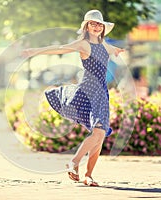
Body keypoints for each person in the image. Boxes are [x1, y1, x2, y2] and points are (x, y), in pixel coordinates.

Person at [23, 10, 124, 186]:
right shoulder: (83, 44)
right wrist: (35, 51)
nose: (96, 26)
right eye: (92, 23)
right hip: (87, 91)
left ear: (103, 28)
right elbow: (59, 49)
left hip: (101, 93)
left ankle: (88, 175)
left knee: (99, 135)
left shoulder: (106, 45)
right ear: (86, 26)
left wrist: (116, 50)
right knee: (99, 132)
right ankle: (74, 162)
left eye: (99, 24)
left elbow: (111, 50)